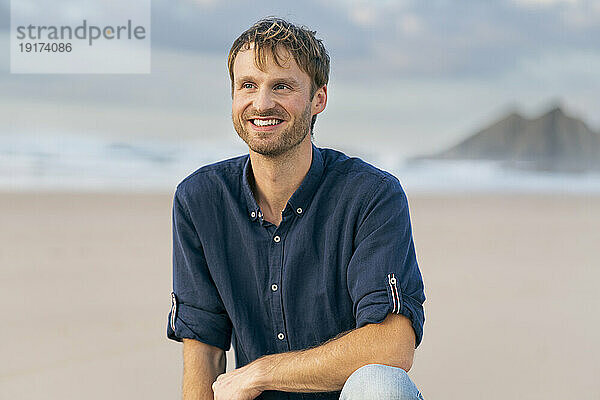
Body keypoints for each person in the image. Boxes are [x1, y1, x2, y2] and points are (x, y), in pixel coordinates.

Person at [167, 17, 426, 400]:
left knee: (380, 385)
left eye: (281, 86)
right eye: (248, 86)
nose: (262, 103)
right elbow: (203, 348)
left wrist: (261, 372)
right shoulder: (200, 200)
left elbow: (392, 345)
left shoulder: (372, 196)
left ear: (318, 98)